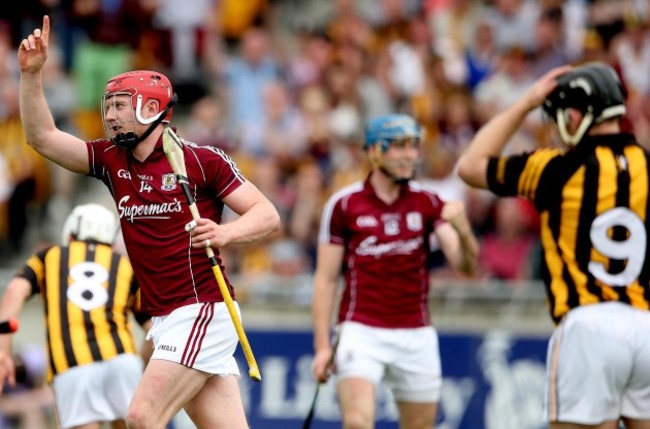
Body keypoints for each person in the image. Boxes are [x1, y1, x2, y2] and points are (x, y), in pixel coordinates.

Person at [18, 16, 281, 429]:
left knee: (141, 417)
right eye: (109, 106)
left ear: (151, 108)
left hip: (202, 311)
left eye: (121, 105)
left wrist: (225, 232)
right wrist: (32, 76)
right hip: (164, 316)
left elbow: (268, 215)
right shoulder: (111, 160)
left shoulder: (201, 160)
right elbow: (43, 139)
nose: (111, 115)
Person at [457, 61, 650, 429]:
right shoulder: (646, 164)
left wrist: (526, 102)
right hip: (644, 326)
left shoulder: (556, 168)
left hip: (587, 326)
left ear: (576, 115)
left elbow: (470, 165)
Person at [311, 113, 479, 429]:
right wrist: (322, 347)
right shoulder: (344, 205)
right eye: (398, 146)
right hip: (360, 330)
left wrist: (464, 229)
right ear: (374, 152)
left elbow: (465, 265)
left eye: (413, 146)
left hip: (416, 332)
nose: (409, 155)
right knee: (358, 422)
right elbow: (326, 279)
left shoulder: (428, 202)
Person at [0, 203, 152, 429]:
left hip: (72, 365)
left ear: (70, 236)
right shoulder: (124, 265)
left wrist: (3, 351)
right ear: (110, 241)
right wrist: (139, 364)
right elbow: (152, 331)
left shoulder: (49, 256)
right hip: (122, 359)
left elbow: (14, 290)